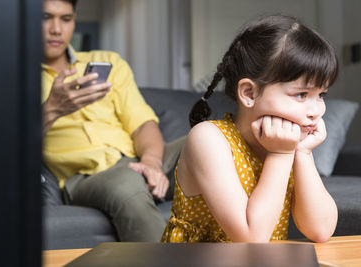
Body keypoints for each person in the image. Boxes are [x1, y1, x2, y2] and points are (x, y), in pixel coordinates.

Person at [161, 15, 338, 243]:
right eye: (302, 95)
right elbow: (251, 239)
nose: (317, 110)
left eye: (321, 95)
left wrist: (302, 153)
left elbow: (320, 230)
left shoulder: (286, 142)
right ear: (249, 93)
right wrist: (280, 155)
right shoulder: (208, 138)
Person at [41, 0, 184, 242]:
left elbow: (143, 124)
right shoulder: (13, 74)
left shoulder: (107, 61)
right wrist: (52, 109)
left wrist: (152, 163)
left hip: (138, 160)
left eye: (66, 19)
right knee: (125, 183)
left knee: (210, 138)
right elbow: (9, 147)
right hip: (87, 177)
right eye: (45, 17)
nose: (56, 29)